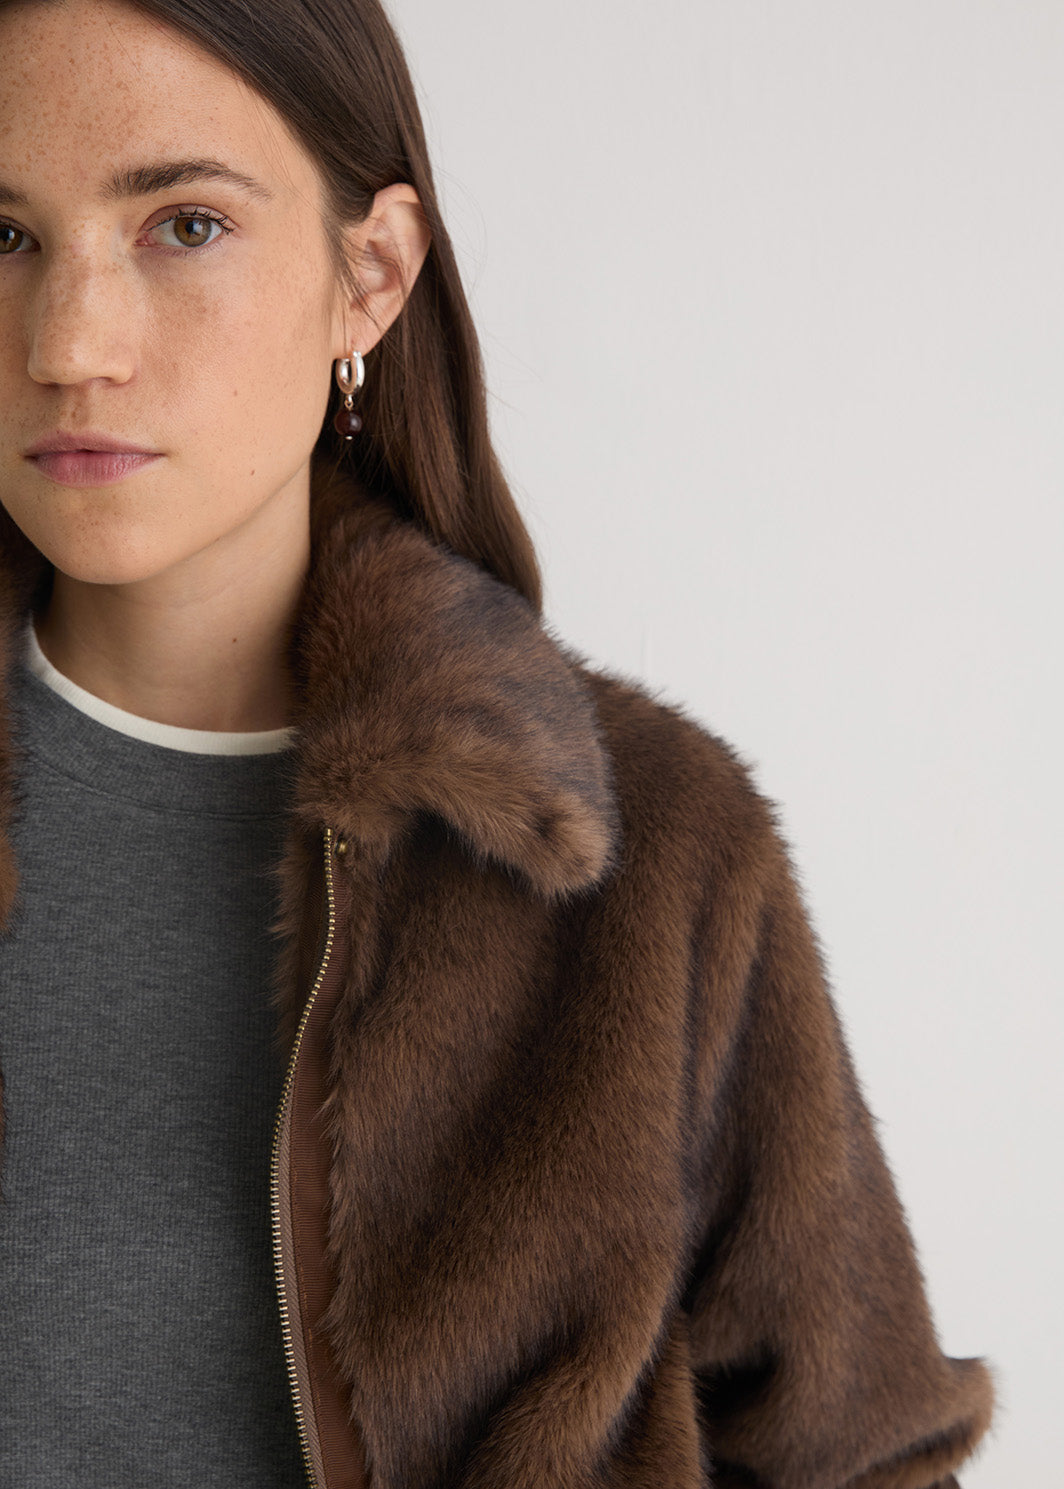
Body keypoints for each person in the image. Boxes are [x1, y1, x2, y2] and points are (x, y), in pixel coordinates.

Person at [0, 0, 997, 1485]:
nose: (70, 342)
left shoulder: (639, 846)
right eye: (3, 236)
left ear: (370, 275)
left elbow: (860, 1456)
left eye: (185, 226)